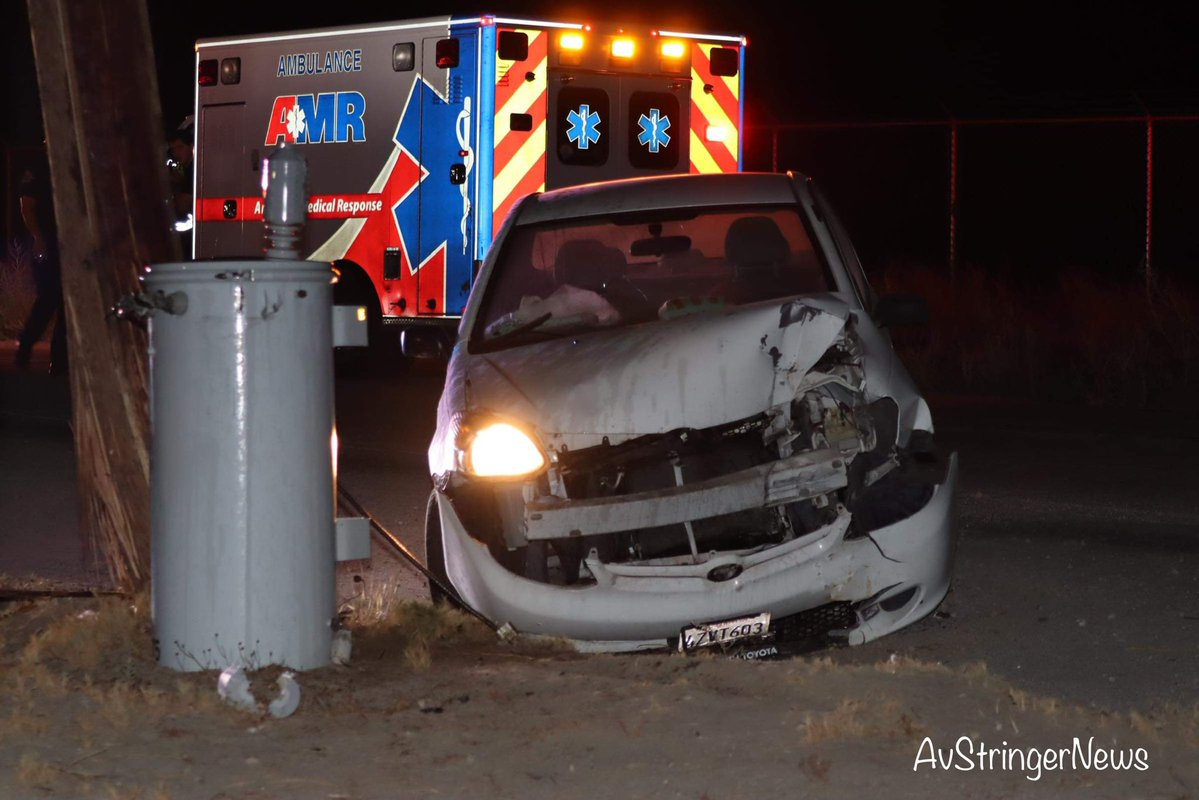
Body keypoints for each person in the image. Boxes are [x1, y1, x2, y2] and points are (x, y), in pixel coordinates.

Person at [14, 152, 67, 374]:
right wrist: (38, 238)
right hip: (48, 242)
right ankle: (25, 346)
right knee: (49, 298)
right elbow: (27, 205)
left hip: (68, 242)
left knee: (66, 303)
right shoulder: (39, 165)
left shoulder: (69, 162)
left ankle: (60, 360)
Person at [167, 116, 194, 256]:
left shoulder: (194, 170)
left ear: (191, 147)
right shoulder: (181, 168)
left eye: (180, 147)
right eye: (173, 149)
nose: (176, 153)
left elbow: (183, 202)